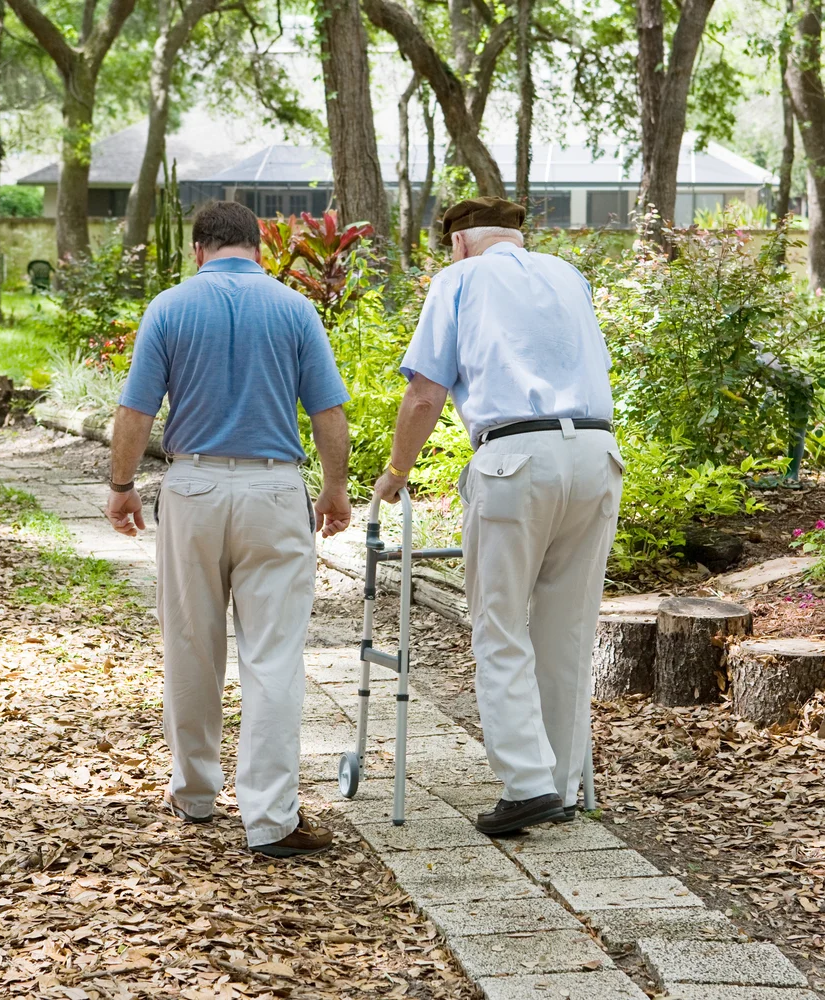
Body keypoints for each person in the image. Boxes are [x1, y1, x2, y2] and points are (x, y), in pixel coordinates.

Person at [105, 200, 352, 857]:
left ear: (197, 250)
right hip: (273, 489)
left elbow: (135, 411)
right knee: (272, 656)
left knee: (191, 642)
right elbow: (327, 410)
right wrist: (334, 488)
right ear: (257, 249)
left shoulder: (170, 306)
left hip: (194, 485)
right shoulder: (295, 308)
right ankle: (271, 820)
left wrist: (123, 486)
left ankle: (193, 793)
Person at [374, 196, 623, 836]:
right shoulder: (568, 275)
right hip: (596, 453)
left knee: (500, 624)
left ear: (458, 244)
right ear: (514, 237)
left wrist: (397, 472)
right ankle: (562, 784)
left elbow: (427, 390)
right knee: (568, 628)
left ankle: (527, 784)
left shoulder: (458, 279)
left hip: (515, 457)